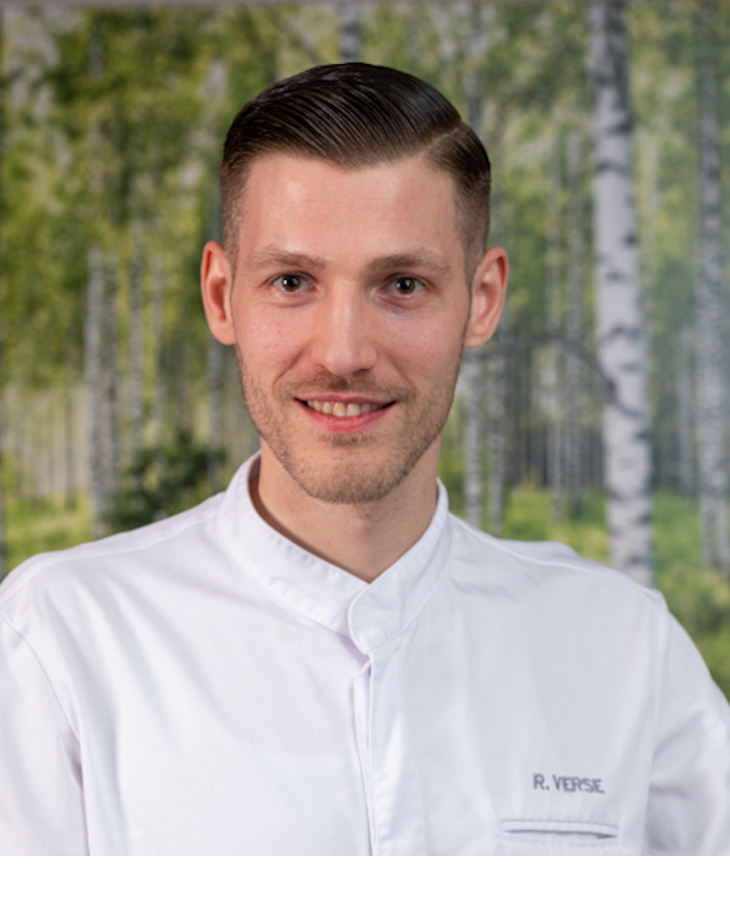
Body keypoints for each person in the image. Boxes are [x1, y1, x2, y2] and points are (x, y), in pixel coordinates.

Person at [1, 63, 729, 857]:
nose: (343, 352)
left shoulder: (623, 649)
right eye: (292, 281)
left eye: (403, 285)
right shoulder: (60, 645)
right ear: (220, 296)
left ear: (483, 299)